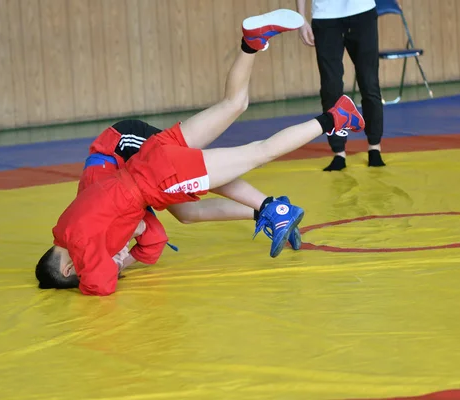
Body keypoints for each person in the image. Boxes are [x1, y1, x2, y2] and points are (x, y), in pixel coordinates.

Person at [35, 9, 365, 296]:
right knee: (234, 104)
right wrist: (123, 248)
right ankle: (251, 43)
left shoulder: (81, 245)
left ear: (68, 270)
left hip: (158, 178)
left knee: (258, 152)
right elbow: (145, 239)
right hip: (150, 158)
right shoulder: (66, 224)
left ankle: (335, 118)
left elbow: (102, 285)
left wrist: (114, 264)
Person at [74, 118, 304, 272]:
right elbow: (156, 240)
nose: (121, 253)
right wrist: (124, 263)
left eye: (116, 254)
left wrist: (123, 248)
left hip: (123, 145)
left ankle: (267, 205)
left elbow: (101, 178)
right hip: (133, 177)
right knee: (186, 213)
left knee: (198, 176)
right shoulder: (113, 235)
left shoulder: (93, 210)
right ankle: (267, 210)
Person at [296, 0, 384, 171]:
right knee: (331, 87)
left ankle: (375, 147)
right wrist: (301, 19)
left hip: (362, 12)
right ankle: (339, 151)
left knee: (369, 82)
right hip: (326, 16)